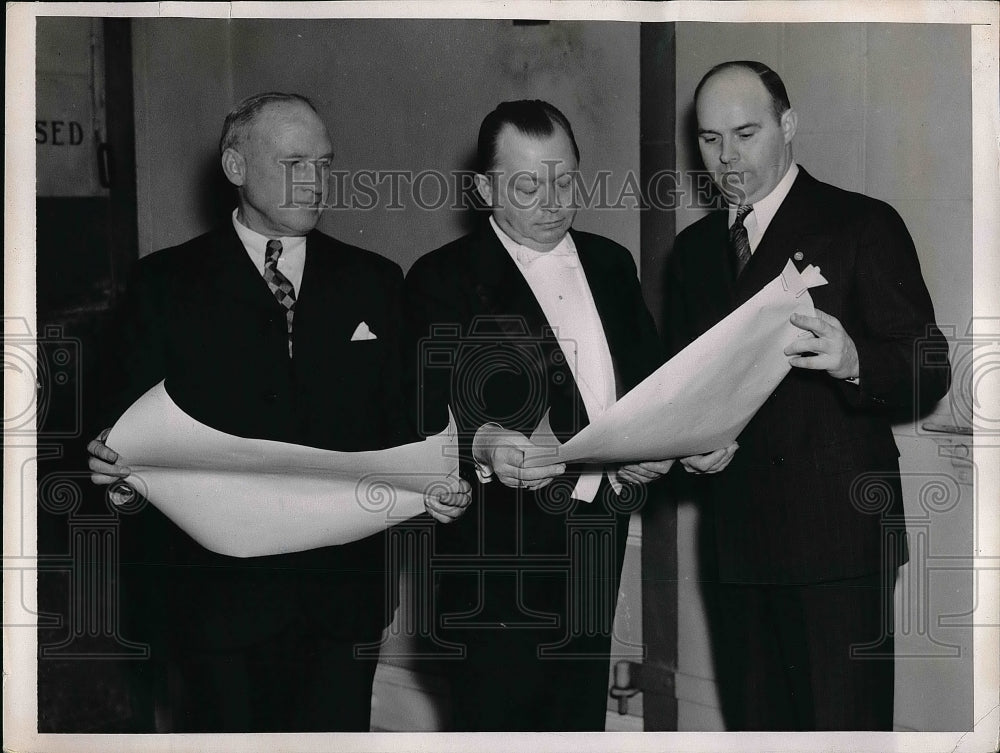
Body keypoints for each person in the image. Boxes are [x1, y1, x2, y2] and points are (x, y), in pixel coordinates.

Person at [86, 91, 469, 732]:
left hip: (343, 599)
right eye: (294, 161)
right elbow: (119, 437)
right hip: (215, 606)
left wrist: (439, 484)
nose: (315, 180)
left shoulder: (375, 281)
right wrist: (116, 481)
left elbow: (410, 421)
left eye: (324, 162)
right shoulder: (163, 284)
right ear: (236, 167)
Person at [404, 99, 735, 731]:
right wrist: (482, 443)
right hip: (493, 559)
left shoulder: (611, 262)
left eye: (565, 180)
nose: (553, 201)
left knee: (578, 721)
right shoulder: (439, 278)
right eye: (528, 186)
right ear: (484, 189)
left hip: (594, 536)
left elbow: (646, 387)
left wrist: (681, 440)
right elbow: (417, 409)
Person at [665, 61, 951, 730]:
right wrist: (690, 443)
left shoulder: (860, 223)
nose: (728, 158)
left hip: (840, 542)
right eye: (710, 140)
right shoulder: (695, 252)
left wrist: (855, 360)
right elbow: (687, 386)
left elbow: (928, 365)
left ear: (789, 125)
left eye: (746, 132)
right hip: (740, 540)